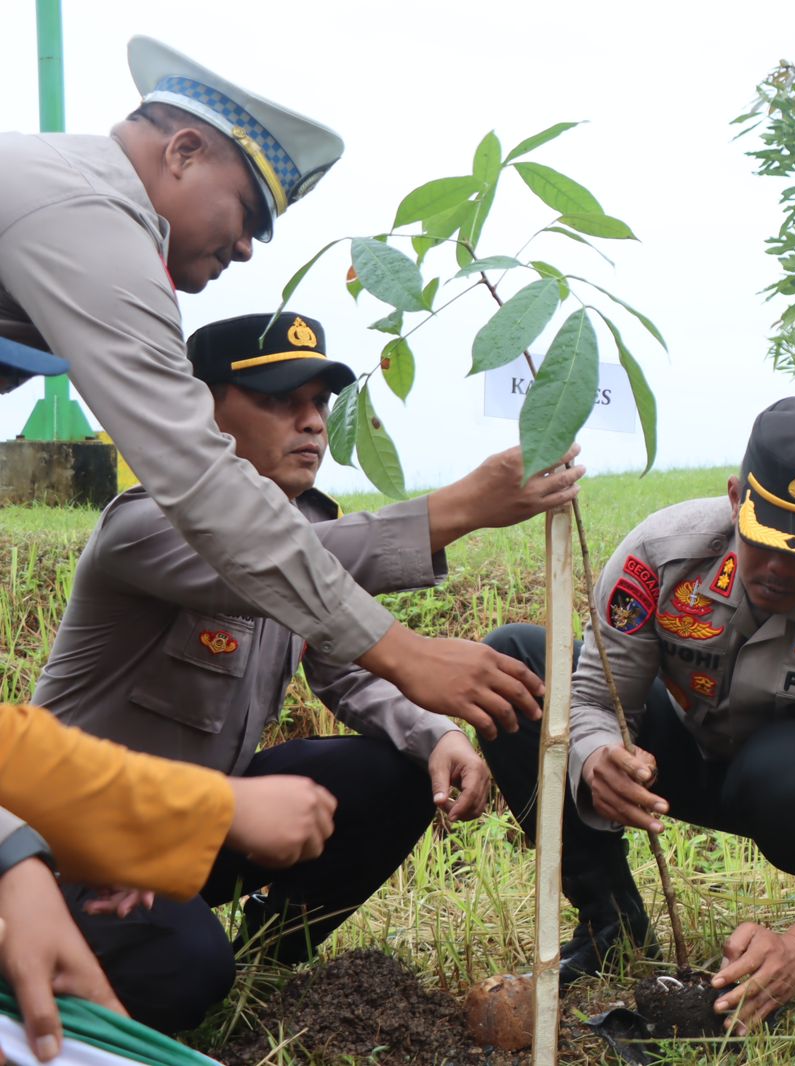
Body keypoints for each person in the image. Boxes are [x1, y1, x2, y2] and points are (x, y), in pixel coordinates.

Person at [32, 312, 583, 1033]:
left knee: (389, 775)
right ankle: (74, 963)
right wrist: (459, 508)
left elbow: (345, 669)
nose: (312, 423)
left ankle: (264, 953)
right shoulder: (146, 528)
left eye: (320, 403)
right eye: (278, 400)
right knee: (188, 973)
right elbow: (280, 565)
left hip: (201, 822)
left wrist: (436, 736)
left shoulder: (300, 531)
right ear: (201, 410)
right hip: (80, 840)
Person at [0, 35, 543, 744]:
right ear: (183, 151)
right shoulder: (91, 216)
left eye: (318, 402)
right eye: (248, 211)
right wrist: (408, 650)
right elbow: (200, 480)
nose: (250, 246)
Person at [478, 397, 795, 1031]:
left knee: (783, 771)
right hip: (688, 756)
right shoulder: (659, 556)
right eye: (764, 541)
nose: (780, 569)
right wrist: (597, 758)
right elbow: (596, 702)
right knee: (517, 663)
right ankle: (610, 921)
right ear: (737, 498)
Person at [0, 702, 337, 1065]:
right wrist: (211, 809)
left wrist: (14, 856)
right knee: (183, 962)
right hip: (65, 810)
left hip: (70, 820)